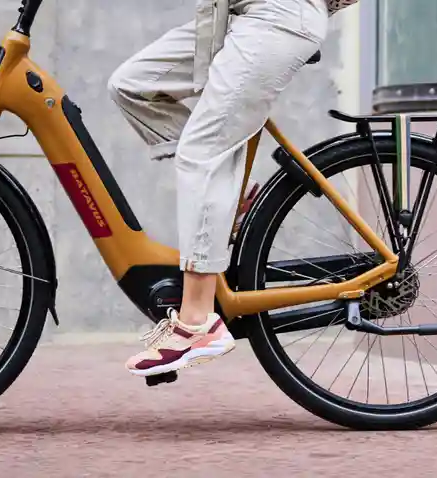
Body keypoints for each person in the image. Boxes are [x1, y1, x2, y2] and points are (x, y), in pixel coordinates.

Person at [107, 0, 359, 376]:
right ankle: (234, 197)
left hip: (277, 14)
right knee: (132, 86)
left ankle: (197, 322)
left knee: (202, 152)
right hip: (229, 15)